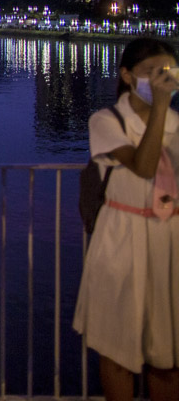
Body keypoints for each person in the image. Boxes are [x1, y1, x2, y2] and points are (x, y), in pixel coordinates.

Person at [74, 38, 179, 401]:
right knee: (117, 349)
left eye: (167, 72)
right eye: (151, 73)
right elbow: (144, 166)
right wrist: (163, 108)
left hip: (170, 239)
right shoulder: (106, 121)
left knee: (167, 354)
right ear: (127, 76)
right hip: (121, 236)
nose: (161, 81)